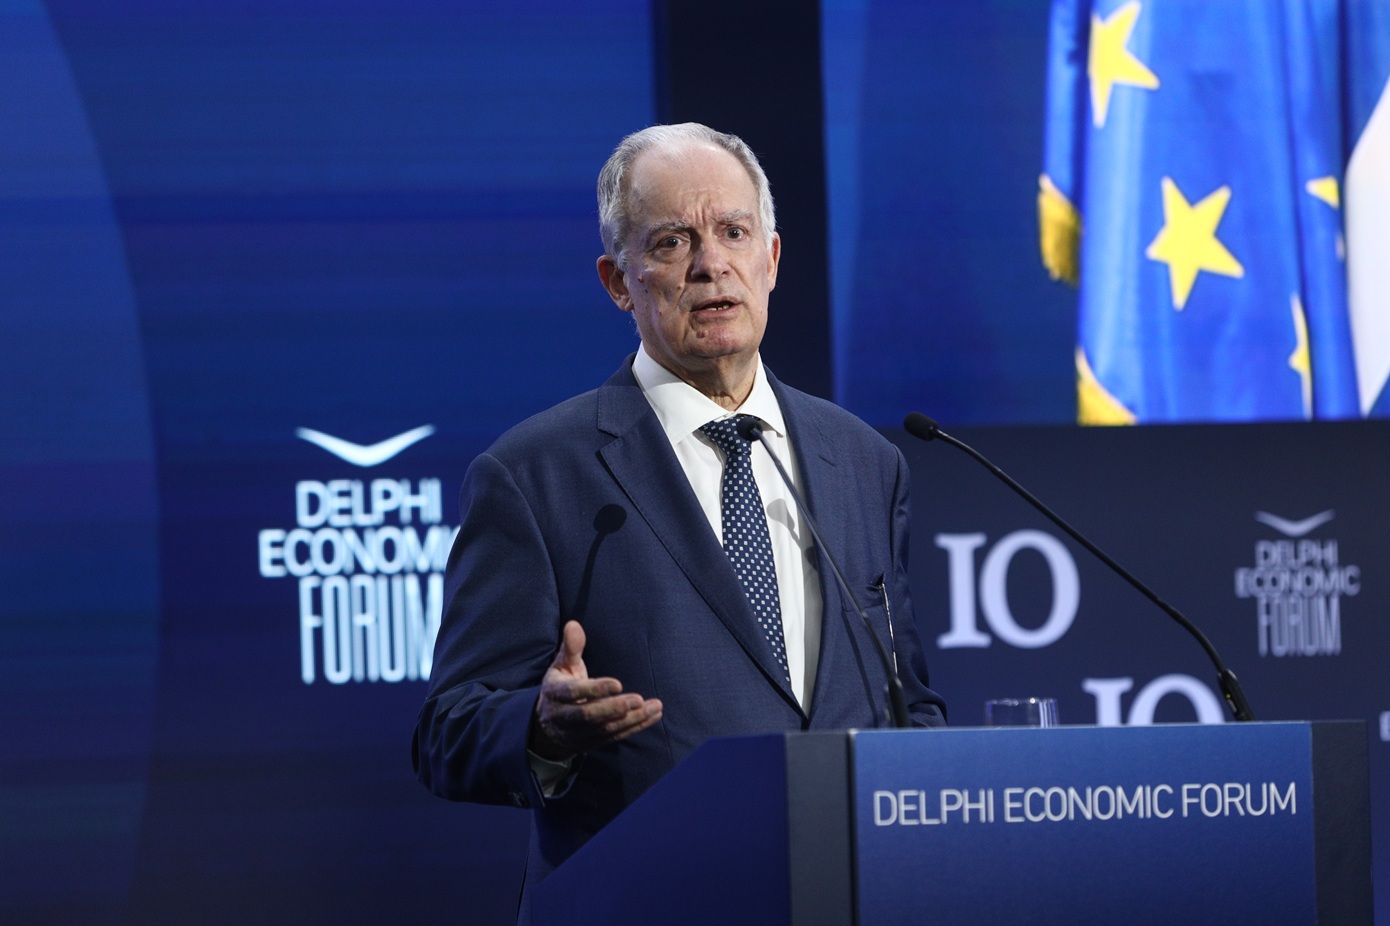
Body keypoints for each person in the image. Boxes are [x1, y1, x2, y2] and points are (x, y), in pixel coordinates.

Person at [412, 123, 946, 920]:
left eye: (733, 232)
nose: (710, 264)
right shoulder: (535, 474)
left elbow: (909, 701)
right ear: (617, 282)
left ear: (771, 258)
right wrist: (541, 728)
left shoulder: (864, 461)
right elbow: (448, 731)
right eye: (671, 242)